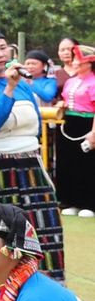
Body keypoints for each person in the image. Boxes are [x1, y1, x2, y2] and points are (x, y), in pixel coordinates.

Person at [0, 26, 66, 282]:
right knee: (0, 235)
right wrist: (8, 88)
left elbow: (36, 124)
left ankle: (48, 289)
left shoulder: (24, 85)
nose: (0, 53)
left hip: (30, 164)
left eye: (3, 47)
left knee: (46, 231)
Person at [56, 44, 95, 217]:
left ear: (89, 62)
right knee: (68, 162)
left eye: (78, 59)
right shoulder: (70, 81)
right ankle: (71, 201)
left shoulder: (93, 81)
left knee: (87, 165)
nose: (75, 62)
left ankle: (89, 203)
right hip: (69, 124)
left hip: (86, 123)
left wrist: (94, 133)